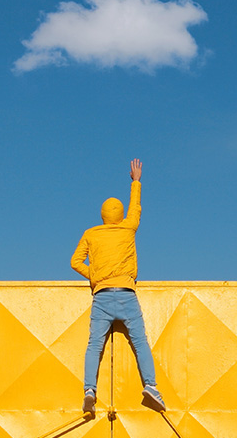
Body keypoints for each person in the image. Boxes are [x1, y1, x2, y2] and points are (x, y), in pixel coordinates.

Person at [71, 158, 166, 414]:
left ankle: (90, 389)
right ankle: (150, 386)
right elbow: (136, 209)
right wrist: (136, 181)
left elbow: (74, 261)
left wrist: (96, 275)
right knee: (140, 342)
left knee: (94, 345)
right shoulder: (128, 228)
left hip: (101, 295)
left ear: (102, 216)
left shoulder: (91, 234)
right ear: (120, 215)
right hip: (126, 293)